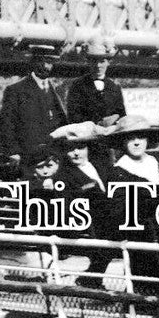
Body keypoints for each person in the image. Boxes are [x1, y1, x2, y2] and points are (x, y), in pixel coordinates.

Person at [101, 115, 159, 289]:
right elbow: (118, 210)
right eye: (131, 138)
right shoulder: (119, 171)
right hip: (136, 228)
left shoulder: (153, 162)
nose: (137, 143)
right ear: (123, 141)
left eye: (141, 137)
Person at [50, 121, 114, 288]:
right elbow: (67, 205)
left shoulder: (100, 167)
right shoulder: (63, 176)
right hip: (86, 224)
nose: (76, 153)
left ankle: (92, 279)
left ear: (87, 148)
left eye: (80, 147)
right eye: (71, 149)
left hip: (107, 219)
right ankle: (92, 279)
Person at [0, 44, 69, 170]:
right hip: (28, 158)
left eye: (49, 62)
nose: (46, 66)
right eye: (41, 61)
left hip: (54, 157)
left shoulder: (54, 91)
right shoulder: (16, 91)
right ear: (33, 62)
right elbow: (6, 124)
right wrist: (13, 152)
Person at [66, 37, 126, 162]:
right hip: (86, 146)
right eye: (94, 61)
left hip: (109, 145)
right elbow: (73, 116)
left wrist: (114, 127)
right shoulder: (78, 86)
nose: (98, 66)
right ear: (88, 61)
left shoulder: (114, 87)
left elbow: (122, 115)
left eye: (102, 61)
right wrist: (93, 127)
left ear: (108, 62)